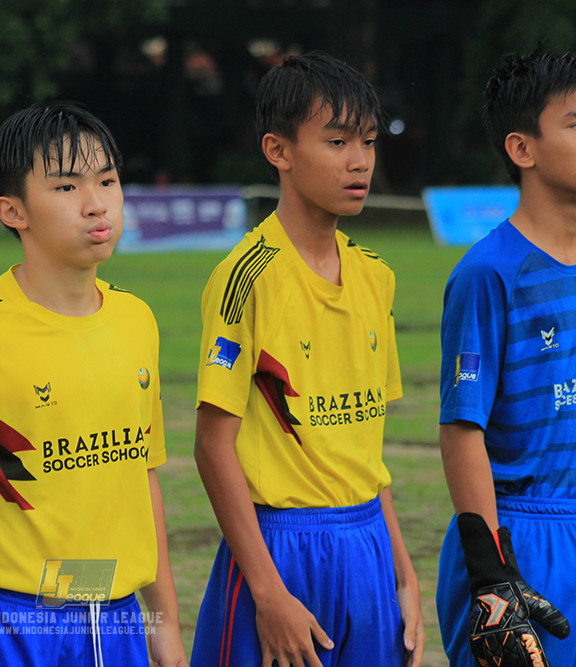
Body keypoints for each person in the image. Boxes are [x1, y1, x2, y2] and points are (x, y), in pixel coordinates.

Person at [0, 101, 187, 667]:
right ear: (13, 210)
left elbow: (141, 481)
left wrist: (163, 625)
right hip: (10, 624)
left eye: (108, 181)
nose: (97, 204)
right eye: (68, 187)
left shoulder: (136, 321)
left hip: (120, 619)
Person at [191, 51, 424, 667]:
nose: (360, 161)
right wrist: (268, 594)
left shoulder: (377, 277)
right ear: (279, 150)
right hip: (280, 550)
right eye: (338, 140)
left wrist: (402, 572)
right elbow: (213, 447)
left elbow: (366, 453)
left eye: (368, 141)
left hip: (369, 541)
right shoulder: (247, 277)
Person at [436, 47, 576, 667]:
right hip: (522, 538)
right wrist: (493, 581)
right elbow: (461, 427)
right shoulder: (489, 273)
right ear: (523, 149)